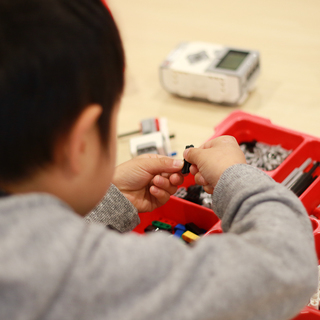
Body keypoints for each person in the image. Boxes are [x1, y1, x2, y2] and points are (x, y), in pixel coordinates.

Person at [0, 0, 317, 319]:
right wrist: (236, 176)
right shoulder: (93, 277)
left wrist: (106, 203)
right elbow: (286, 265)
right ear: (80, 144)